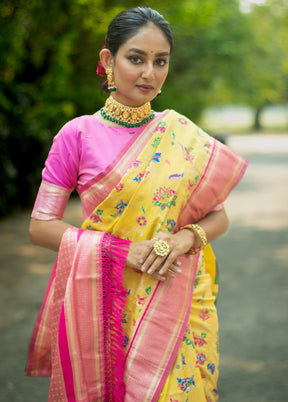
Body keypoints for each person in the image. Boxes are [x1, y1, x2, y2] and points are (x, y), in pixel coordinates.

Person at [26, 7, 247, 401]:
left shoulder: (182, 134)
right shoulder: (77, 135)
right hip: (107, 301)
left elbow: (219, 216)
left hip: (178, 300)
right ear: (108, 61)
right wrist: (125, 253)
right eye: (136, 58)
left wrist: (180, 241)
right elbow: (41, 225)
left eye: (160, 61)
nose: (150, 73)